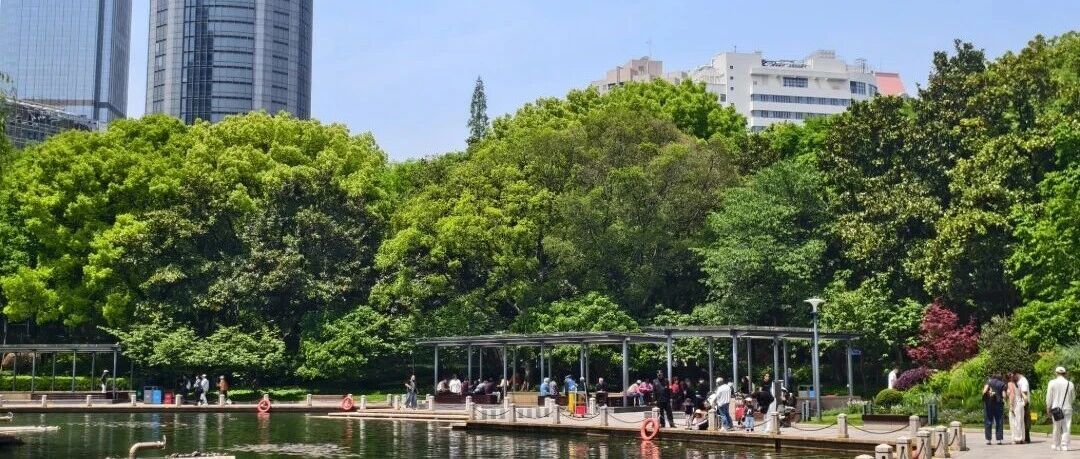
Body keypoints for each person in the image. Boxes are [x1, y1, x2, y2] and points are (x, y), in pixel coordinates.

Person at [1046, 366, 1075, 451]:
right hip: (1067, 408)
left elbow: (1049, 397)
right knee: (1067, 427)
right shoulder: (1070, 384)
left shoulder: (1052, 383)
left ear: (1056, 373)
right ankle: (1065, 445)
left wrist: (1048, 406)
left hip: (1056, 408)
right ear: (1065, 374)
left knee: (1056, 427)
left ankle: (1056, 445)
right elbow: (1073, 397)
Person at [982, 373, 1006, 445]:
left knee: (988, 420)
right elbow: (1004, 395)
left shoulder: (989, 381)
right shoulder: (1002, 384)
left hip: (989, 404)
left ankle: (988, 440)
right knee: (999, 421)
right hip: (998, 404)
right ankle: (999, 440)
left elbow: (984, 391)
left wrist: (989, 393)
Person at [1006, 373, 1024, 444]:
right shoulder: (1018, 384)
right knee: (1020, 421)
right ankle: (1021, 438)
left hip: (1015, 403)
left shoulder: (1010, 384)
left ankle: (1016, 438)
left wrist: (1011, 405)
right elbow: (1021, 394)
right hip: (1020, 402)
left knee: (1014, 421)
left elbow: (1012, 395)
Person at [1016, 372, 1031, 444]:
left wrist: (1023, 404)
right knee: (1023, 420)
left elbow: (1024, 393)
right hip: (1023, 403)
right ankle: (1025, 438)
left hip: (1024, 403)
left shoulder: (1023, 381)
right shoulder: (1021, 381)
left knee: (1025, 420)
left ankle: (1026, 438)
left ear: (1017, 374)